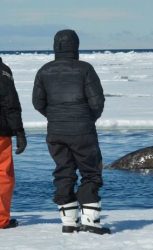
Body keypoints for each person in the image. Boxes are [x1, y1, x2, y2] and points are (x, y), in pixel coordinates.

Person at [32, 29, 110, 235]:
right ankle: (91, 222)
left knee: (63, 172)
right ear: (75, 46)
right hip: (83, 129)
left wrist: (56, 117)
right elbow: (97, 102)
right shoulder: (85, 69)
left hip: (56, 131)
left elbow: (37, 103)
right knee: (91, 172)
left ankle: (68, 222)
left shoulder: (44, 70)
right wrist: (87, 118)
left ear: (55, 46)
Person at [0, 57, 27, 229]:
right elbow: (10, 104)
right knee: (3, 175)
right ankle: (1, 219)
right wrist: (19, 131)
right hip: (1, 132)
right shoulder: (2, 71)